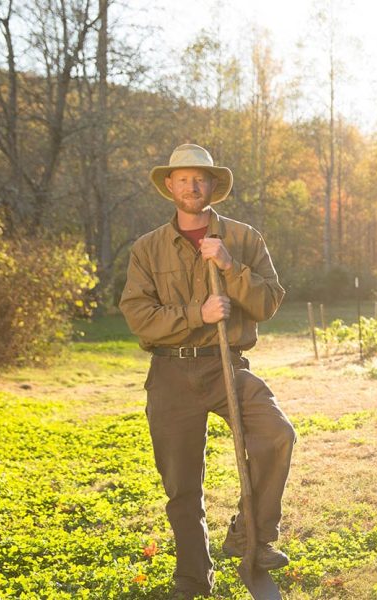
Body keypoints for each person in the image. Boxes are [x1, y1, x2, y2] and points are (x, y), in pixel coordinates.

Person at [120, 144, 296, 599]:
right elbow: (139, 316)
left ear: (213, 185)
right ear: (170, 187)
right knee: (181, 486)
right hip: (171, 373)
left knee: (276, 433)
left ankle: (250, 536)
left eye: (200, 178)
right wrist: (198, 313)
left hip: (227, 366)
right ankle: (194, 577)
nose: (192, 186)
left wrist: (230, 267)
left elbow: (269, 303)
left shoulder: (243, 238)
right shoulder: (147, 248)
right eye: (183, 179)